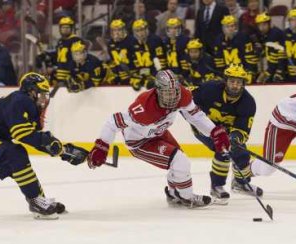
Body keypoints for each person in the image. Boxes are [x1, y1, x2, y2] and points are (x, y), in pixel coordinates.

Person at [86, 70, 231, 208]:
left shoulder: (182, 95)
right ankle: (187, 197)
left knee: (179, 163)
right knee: (180, 161)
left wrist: (215, 132)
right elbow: (113, 122)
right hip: (139, 142)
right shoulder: (143, 108)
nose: (173, 98)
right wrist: (101, 148)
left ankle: (174, 193)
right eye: (167, 93)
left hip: (158, 132)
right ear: (158, 91)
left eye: (175, 93)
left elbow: (194, 114)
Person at [0, 72, 88, 219]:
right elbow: (23, 135)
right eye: (41, 94)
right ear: (31, 91)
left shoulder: (25, 103)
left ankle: (39, 201)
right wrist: (55, 146)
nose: (44, 99)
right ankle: (36, 202)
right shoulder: (20, 100)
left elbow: (33, 138)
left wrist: (64, 152)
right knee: (15, 154)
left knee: (17, 158)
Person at [191, 64, 262, 204]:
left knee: (241, 152)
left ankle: (240, 183)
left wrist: (236, 137)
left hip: (227, 131)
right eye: (232, 81)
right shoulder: (210, 89)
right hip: (205, 127)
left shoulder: (248, 102)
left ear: (243, 84)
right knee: (223, 150)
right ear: (226, 81)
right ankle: (216, 186)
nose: (235, 85)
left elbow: (243, 128)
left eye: (239, 82)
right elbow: (188, 100)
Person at [213, 15, 258, 83]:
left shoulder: (244, 38)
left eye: (232, 26)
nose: (230, 28)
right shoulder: (219, 39)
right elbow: (219, 61)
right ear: (223, 28)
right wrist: (220, 74)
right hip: (228, 73)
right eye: (227, 26)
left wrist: (250, 72)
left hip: (243, 71)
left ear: (235, 27)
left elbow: (250, 58)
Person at [36, 17, 82, 83]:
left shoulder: (76, 40)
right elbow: (58, 55)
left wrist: (54, 68)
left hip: (70, 74)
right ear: (60, 29)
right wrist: (46, 54)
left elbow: (76, 60)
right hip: (60, 73)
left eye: (67, 27)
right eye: (63, 28)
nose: (65, 30)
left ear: (72, 28)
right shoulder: (61, 41)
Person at [129, 19, 167, 91]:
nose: (140, 33)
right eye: (137, 31)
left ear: (147, 29)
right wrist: (135, 76)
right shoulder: (132, 42)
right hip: (142, 73)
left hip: (154, 72)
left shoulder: (155, 40)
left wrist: (157, 75)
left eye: (142, 30)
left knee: (151, 85)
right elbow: (133, 61)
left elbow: (160, 61)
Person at [254, 12, 287, 83]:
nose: (261, 28)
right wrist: (261, 51)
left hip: (281, 69)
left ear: (269, 24)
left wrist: (279, 72)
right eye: (259, 25)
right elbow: (268, 53)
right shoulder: (265, 34)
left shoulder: (275, 34)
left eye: (264, 25)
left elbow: (282, 56)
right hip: (271, 67)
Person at [102, 19, 136, 85]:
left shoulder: (132, 41)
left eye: (119, 30)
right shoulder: (111, 43)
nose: (117, 33)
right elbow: (114, 60)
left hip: (132, 74)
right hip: (120, 75)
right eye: (114, 30)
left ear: (124, 30)